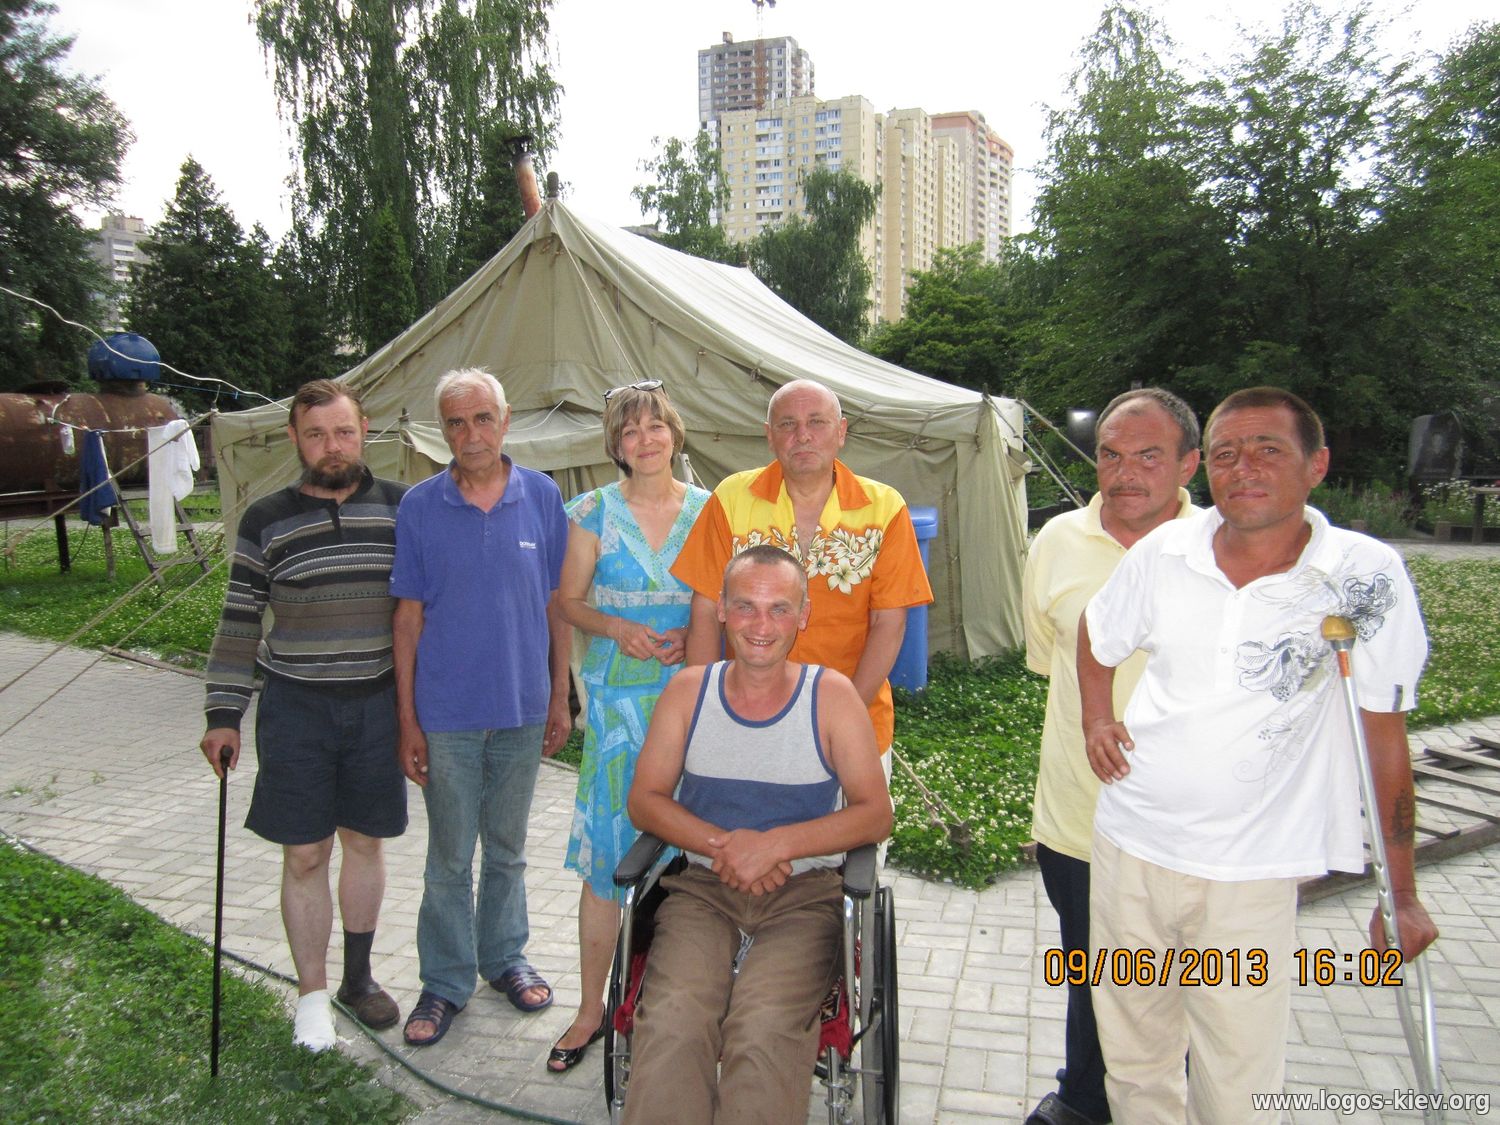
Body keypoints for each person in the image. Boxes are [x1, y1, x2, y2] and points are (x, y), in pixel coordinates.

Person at [1078, 386, 1439, 1123]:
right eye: (1225, 454)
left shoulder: (1363, 576)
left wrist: (1401, 894)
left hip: (1251, 871)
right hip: (1131, 848)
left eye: (1268, 450)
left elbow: (1383, 737)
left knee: (1239, 1082)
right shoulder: (1165, 551)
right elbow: (1097, 630)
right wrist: (1096, 718)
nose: (1242, 468)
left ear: (1317, 465)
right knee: (1136, 1062)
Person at [621, 545, 892, 1124]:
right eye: (745, 606)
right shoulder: (689, 692)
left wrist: (776, 846)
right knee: (673, 1020)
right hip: (703, 890)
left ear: (803, 615)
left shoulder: (831, 696)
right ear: (720, 610)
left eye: (778, 608)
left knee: (763, 1027)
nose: (760, 624)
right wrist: (728, 848)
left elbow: (875, 814)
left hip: (804, 898)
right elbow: (644, 799)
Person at [201, 379, 408, 1051]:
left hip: (377, 702)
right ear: (294, 438)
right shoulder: (265, 518)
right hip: (296, 707)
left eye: (343, 431)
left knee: (365, 843)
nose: (332, 446)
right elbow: (239, 620)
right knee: (305, 852)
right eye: (316, 434)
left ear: (364, 430)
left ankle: (359, 978)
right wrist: (224, 712)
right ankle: (312, 997)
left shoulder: (403, 509)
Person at [1022, 388, 1201, 1125]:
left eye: (1149, 456)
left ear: (1190, 464)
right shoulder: (1056, 541)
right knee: (1091, 970)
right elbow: (1050, 659)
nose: (1125, 473)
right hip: (1080, 813)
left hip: (1193, 824)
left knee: (1186, 988)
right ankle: (1083, 1100)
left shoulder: (1221, 548)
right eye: (1110, 455)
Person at [389, 368, 572, 1047]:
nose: (471, 434)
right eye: (456, 422)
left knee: (508, 847)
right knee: (448, 856)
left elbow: (557, 605)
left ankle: (504, 957)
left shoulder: (542, 495)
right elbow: (407, 619)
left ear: (506, 419)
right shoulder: (420, 505)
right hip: (447, 714)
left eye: (482, 418)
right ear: (443, 431)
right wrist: (407, 720)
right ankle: (444, 980)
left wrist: (560, 695)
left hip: (523, 708)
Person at [548, 381, 709, 1072]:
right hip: (618, 708)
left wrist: (695, 640)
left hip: (692, 704)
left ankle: (671, 1008)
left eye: (655, 427)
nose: (645, 440)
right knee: (606, 863)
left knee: (686, 859)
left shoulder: (709, 510)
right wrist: (616, 627)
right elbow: (567, 601)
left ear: (674, 433)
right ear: (616, 445)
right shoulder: (591, 512)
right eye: (630, 431)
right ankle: (591, 1010)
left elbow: (722, 599)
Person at [673, 379, 933, 772]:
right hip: (745, 719)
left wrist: (844, 717)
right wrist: (709, 710)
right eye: (787, 424)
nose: (803, 435)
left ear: (841, 431)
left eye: (816, 422)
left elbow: (889, 624)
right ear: (769, 436)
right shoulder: (731, 499)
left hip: (856, 719)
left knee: (856, 815)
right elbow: (707, 609)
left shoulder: (884, 508)